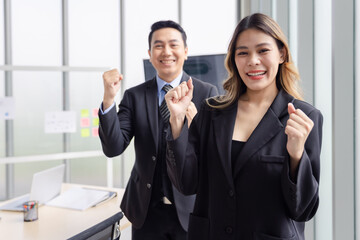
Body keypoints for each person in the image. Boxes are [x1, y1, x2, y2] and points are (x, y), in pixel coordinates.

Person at [165, 13, 323, 240]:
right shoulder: (211, 112)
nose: (253, 61)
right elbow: (186, 184)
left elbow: (303, 210)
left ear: (281, 53)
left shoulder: (304, 117)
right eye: (243, 53)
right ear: (234, 60)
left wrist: (296, 156)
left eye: (263, 50)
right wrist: (177, 122)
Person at [98, 20, 218, 240]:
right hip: (146, 211)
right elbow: (113, 147)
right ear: (150, 53)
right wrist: (108, 99)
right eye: (159, 46)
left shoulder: (207, 93)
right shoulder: (135, 96)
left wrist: (194, 125)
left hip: (190, 209)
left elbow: (213, 155)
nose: (166, 52)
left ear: (185, 51)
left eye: (173, 45)